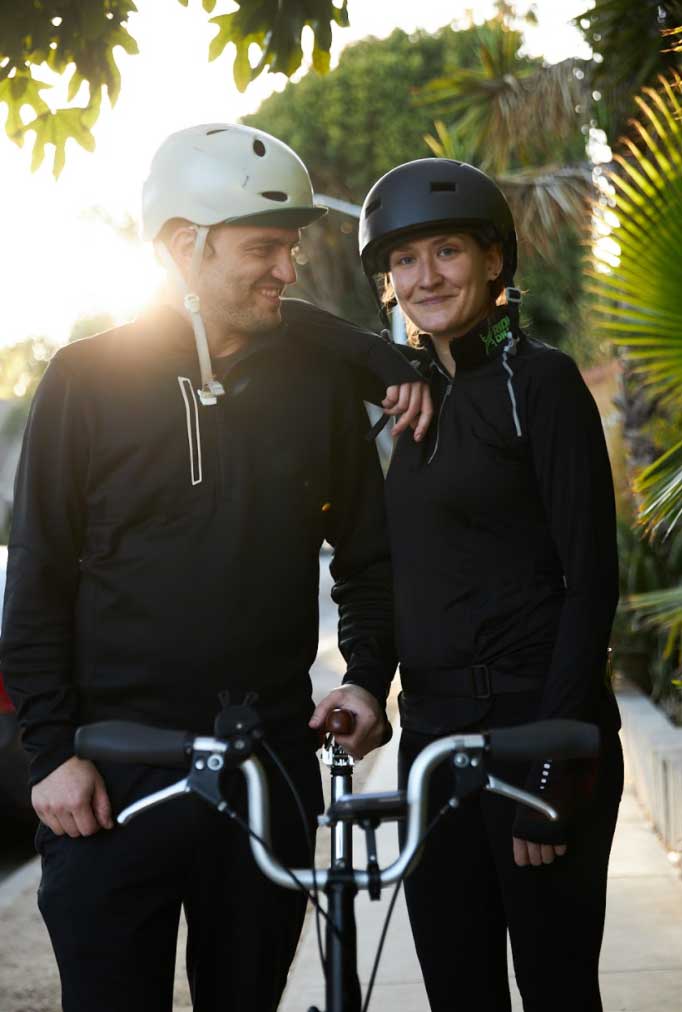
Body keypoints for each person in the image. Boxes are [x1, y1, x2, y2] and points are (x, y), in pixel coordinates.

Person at [0, 124, 432, 1012]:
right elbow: (36, 579)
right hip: (111, 771)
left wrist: (367, 680)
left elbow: (368, 561)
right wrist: (49, 754)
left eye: (293, 248)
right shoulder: (84, 380)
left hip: (267, 764)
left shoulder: (316, 387)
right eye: (264, 248)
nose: (287, 269)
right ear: (182, 245)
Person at [313, 158, 624, 1012]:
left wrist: (556, 772)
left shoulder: (543, 384)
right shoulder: (400, 405)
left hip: (537, 735)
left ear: (494, 261)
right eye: (403, 262)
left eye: (447, 251)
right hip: (435, 748)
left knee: (559, 991)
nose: (425, 277)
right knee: (458, 992)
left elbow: (591, 580)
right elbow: (289, 323)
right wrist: (368, 682)